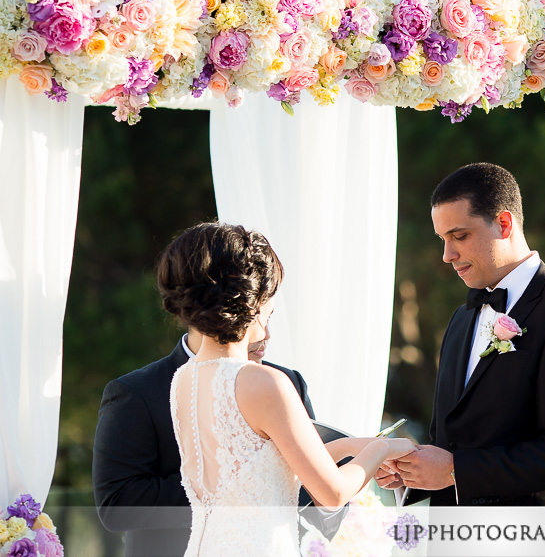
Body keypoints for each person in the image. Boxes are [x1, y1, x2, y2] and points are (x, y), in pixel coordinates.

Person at [103, 222, 413, 556]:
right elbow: (332, 492)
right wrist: (386, 447)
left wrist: (354, 446)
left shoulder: (183, 380)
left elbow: (257, 467)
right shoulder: (264, 383)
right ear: (255, 303)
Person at [379, 163, 545, 505]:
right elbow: (451, 442)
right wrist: (411, 471)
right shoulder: (461, 318)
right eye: (443, 240)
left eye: (459, 236)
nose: (448, 255)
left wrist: (456, 470)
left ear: (504, 224)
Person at [92, 323, 338, 557]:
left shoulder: (285, 382)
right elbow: (116, 504)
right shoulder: (138, 391)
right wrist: (228, 487)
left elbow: (317, 494)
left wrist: (345, 465)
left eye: (268, 315)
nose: (266, 333)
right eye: (253, 315)